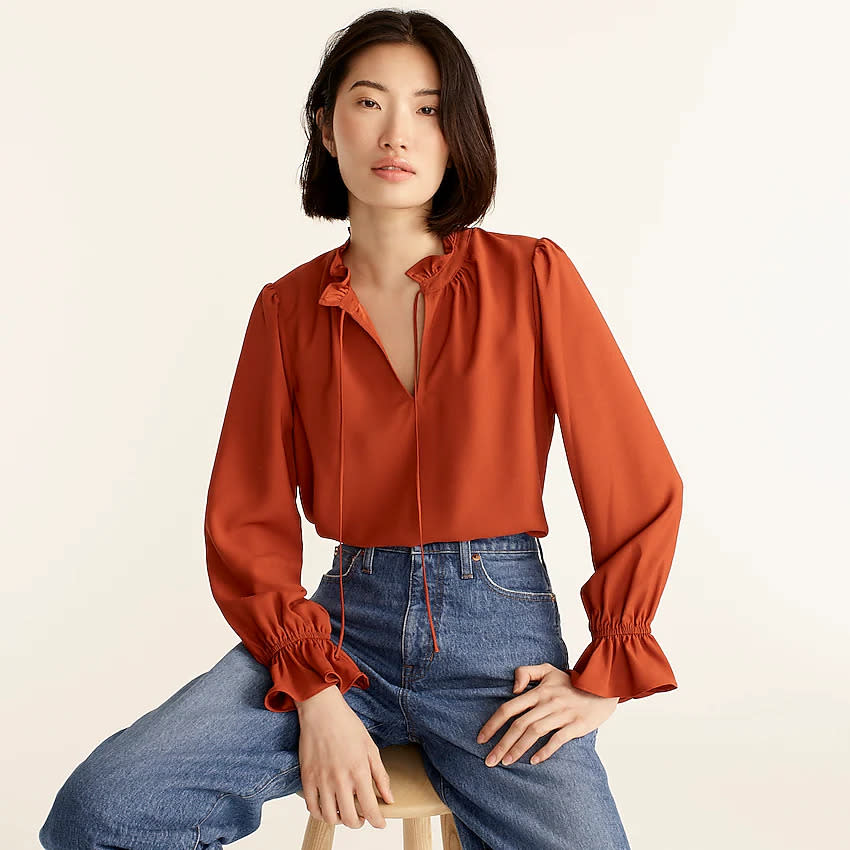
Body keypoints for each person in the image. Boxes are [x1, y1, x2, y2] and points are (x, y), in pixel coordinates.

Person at [39, 9, 683, 850]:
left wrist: (608, 673)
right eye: (369, 102)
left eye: (427, 107)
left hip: (499, 643)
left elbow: (632, 477)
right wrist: (315, 695)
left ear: (458, 133)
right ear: (327, 125)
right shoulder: (286, 311)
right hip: (339, 630)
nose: (396, 133)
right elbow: (249, 518)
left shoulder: (532, 276)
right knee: (103, 811)